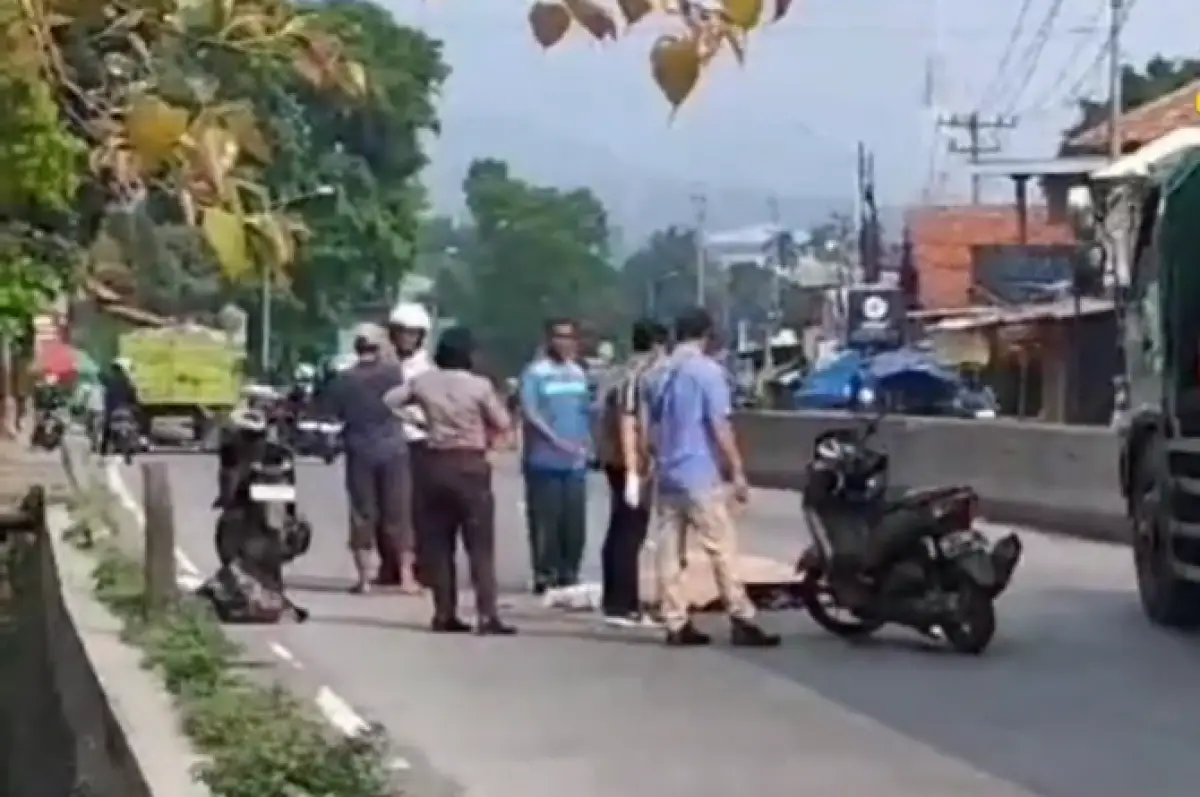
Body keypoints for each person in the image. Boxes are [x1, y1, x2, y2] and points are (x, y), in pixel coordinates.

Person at [647, 307, 780, 647]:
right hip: (698, 472)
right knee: (721, 547)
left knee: (668, 552)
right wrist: (736, 471)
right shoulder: (708, 372)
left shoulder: (659, 372)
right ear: (707, 334)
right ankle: (741, 616)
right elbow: (720, 426)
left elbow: (652, 425)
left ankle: (675, 620)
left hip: (667, 472)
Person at [383, 327, 515, 635]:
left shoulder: (424, 382)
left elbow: (389, 400)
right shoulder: (479, 386)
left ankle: (444, 613)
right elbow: (504, 423)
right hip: (470, 463)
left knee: (439, 545)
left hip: (434, 462)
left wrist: (419, 421)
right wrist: (490, 445)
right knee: (480, 545)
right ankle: (487, 615)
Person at [322, 323, 410, 594]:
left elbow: (332, 414)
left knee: (362, 514)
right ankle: (407, 578)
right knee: (398, 513)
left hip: (359, 449)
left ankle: (364, 579)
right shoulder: (393, 374)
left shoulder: (344, 379)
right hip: (393, 449)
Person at [593, 318, 668, 626]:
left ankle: (614, 599)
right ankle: (624, 604)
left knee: (619, 528)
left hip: (613, 458)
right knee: (630, 532)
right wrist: (638, 466)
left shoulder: (617, 373)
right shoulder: (641, 376)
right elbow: (632, 422)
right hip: (630, 460)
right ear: (658, 346)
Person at [520, 318, 591, 594]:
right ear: (549, 340)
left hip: (575, 460)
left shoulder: (578, 373)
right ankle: (544, 572)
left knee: (574, 522)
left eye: (570, 337)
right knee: (545, 520)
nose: (565, 342)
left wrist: (586, 443)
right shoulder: (536, 373)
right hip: (544, 459)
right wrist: (555, 439)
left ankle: (569, 571)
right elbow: (530, 412)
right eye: (559, 337)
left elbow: (586, 411)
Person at [380, 301, 434, 592]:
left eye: (412, 334)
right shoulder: (384, 363)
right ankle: (388, 564)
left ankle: (417, 565)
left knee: (415, 508)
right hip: (386, 440)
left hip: (415, 439)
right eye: (401, 333)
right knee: (385, 508)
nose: (406, 339)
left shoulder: (424, 368)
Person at [99, 357, 141, 456]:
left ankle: (103, 449)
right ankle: (133, 444)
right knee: (134, 424)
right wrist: (135, 405)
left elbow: (107, 394)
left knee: (107, 427)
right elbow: (132, 395)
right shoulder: (127, 381)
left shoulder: (110, 380)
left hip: (112, 408)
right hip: (123, 407)